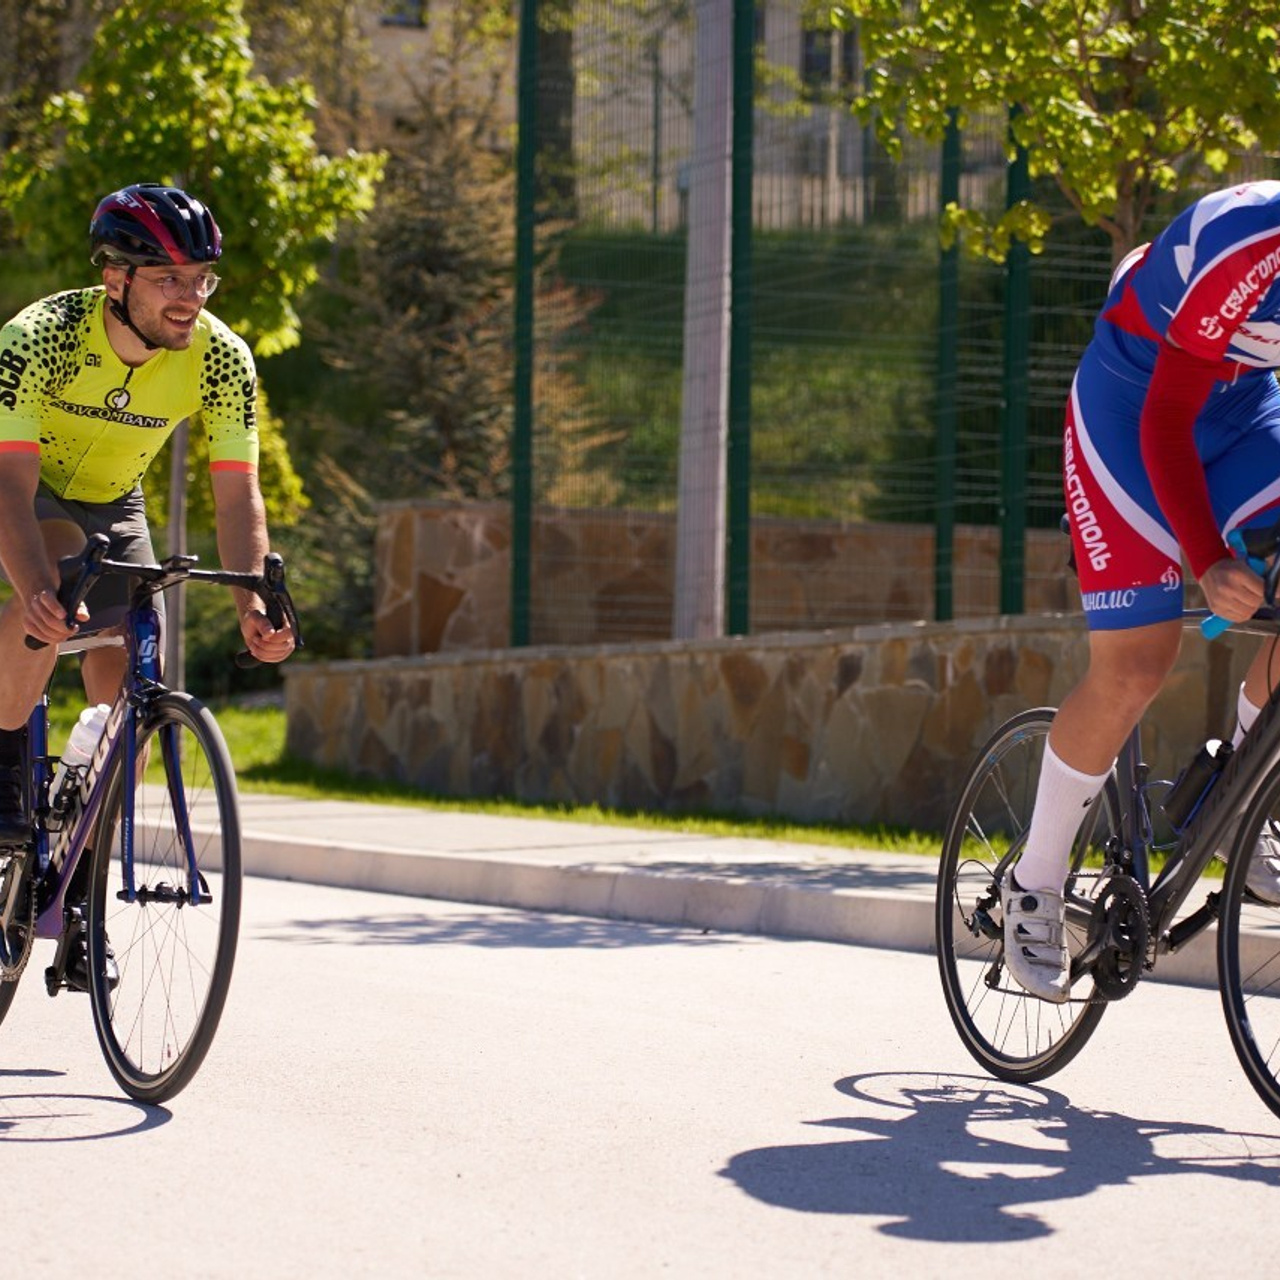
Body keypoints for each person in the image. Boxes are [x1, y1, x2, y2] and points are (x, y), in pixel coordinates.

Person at [1006, 179, 1280, 1002]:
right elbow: (1165, 420)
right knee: (1136, 665)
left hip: (1243, 408)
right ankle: (1037, 882)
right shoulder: (1252, 245)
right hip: (1133, 409)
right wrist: (1209, 559)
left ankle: (1245, 794)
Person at [0, 182, 295, 891]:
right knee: (63, 580)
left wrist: (254, 599)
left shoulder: (221, 357)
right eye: (168, 279)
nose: (190, 296)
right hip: (22, 486)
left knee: (136, 665)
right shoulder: (40, 336)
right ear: (115, 278)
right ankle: (7, 768)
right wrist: (38, 589)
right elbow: (9, 482)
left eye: (200, 278)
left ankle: (81, 877)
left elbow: (236, 493)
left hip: (114, 497)